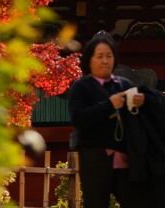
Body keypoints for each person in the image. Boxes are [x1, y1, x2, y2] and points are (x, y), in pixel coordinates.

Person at [68, 32, 142, 208]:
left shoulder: (124, 85)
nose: (105, 61)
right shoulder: (81, 87)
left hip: (125, 157)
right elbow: (79, 119)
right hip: (95, 156)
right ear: (89, 60)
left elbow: (138, 120)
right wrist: (108, 105)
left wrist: (141, 104)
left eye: (109, 56)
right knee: (96, 203)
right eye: (99, 56)